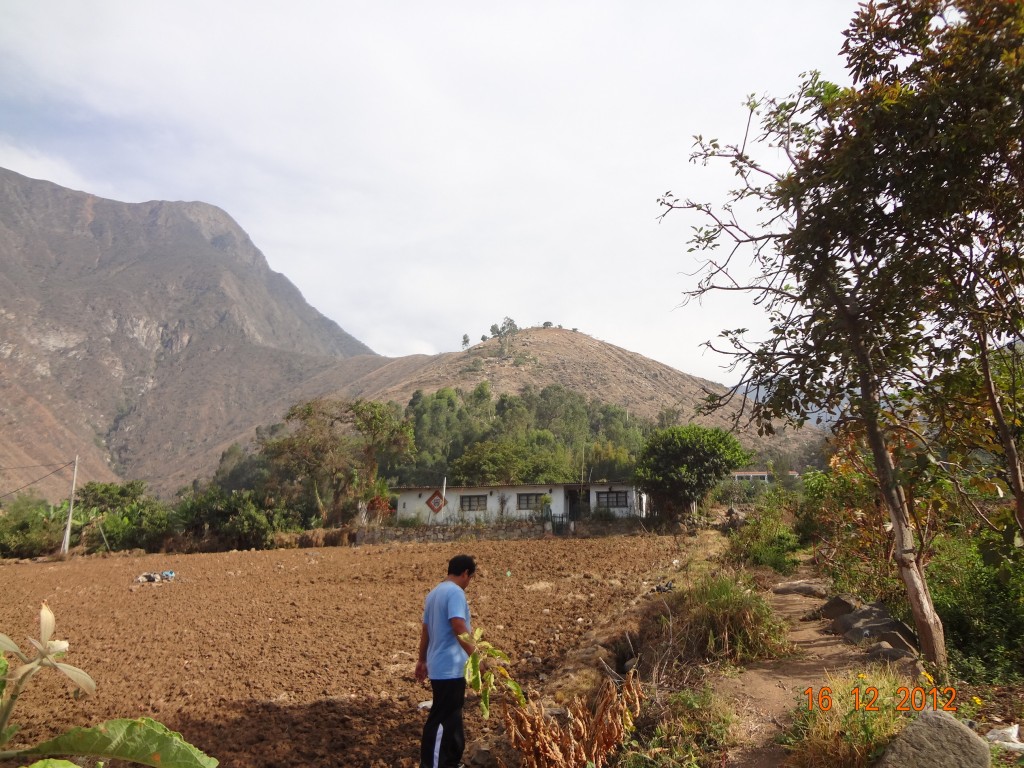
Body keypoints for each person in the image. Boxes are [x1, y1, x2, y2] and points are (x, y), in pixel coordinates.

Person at [415, 554, 477, 768]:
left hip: (440, 665)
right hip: (449, 668)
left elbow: (426, 631)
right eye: (470, 578)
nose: (469, 583)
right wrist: (476, 656)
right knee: (441, 718)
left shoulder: (434, 593)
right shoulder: (455, 592)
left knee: (452, 715)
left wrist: (422, 660)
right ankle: (432, 764)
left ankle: (451, 761)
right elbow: (458, 625)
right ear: (466, 573)